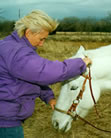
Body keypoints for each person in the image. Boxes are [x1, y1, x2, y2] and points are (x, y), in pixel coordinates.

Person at [0, 10, 91, 138]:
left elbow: (30, 77)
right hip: (5, 124)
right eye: (41, 39)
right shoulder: (17, 52)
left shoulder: (11, 45)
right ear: (29, 32)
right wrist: (80, 64)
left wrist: (48, 96)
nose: (42, 44)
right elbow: (44, 72)